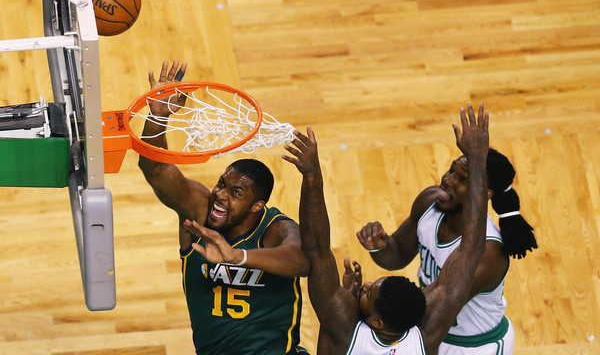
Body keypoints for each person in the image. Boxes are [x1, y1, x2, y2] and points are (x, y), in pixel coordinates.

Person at [282, 103, 491, 355]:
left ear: (377, 322)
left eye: (368, 292)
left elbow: (316, 249)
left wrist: (312, 176)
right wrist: (477, 159)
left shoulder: (342, 329)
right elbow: (470, 249)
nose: (365, 284)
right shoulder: (424, 339)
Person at [138, 60, 310, 355]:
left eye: (235, 192)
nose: (220, 195)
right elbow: (154, 169)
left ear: (257, 205)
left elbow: (302, 261)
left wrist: (237, 256)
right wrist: (157, 118)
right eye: (221, 184)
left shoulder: (275, 229)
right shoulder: (199, 212)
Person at [356, 116, 537, 354]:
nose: (447, 180)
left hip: (475, 346)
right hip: (430, 329)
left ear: (483, 194)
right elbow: (398, 253)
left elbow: (440, 298)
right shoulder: (429, 201)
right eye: (451, 169)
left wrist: (376, 304)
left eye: (462, 179)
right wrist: (380, 246)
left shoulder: (489, 253)